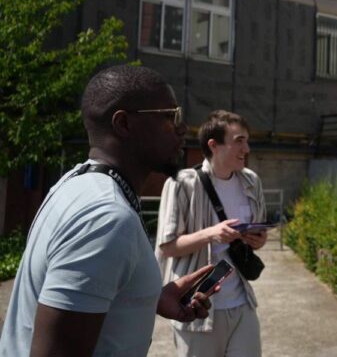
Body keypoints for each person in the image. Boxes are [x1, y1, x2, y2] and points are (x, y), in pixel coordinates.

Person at [0, 65, 216, 357]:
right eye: (169, 116)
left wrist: (148, 298)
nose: (181, 127)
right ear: (124, 124)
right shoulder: (105, 217)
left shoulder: (76, 181)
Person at [156, 109, 268, 357]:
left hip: (242, 303)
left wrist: (257, 239)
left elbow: (259, 239)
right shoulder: (181, 183)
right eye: (239, 141)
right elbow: (167, 246)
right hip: (197, 308)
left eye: (247, 141)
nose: (246, 149)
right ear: (214, 145)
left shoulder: (251, 181)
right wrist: (211, 234)